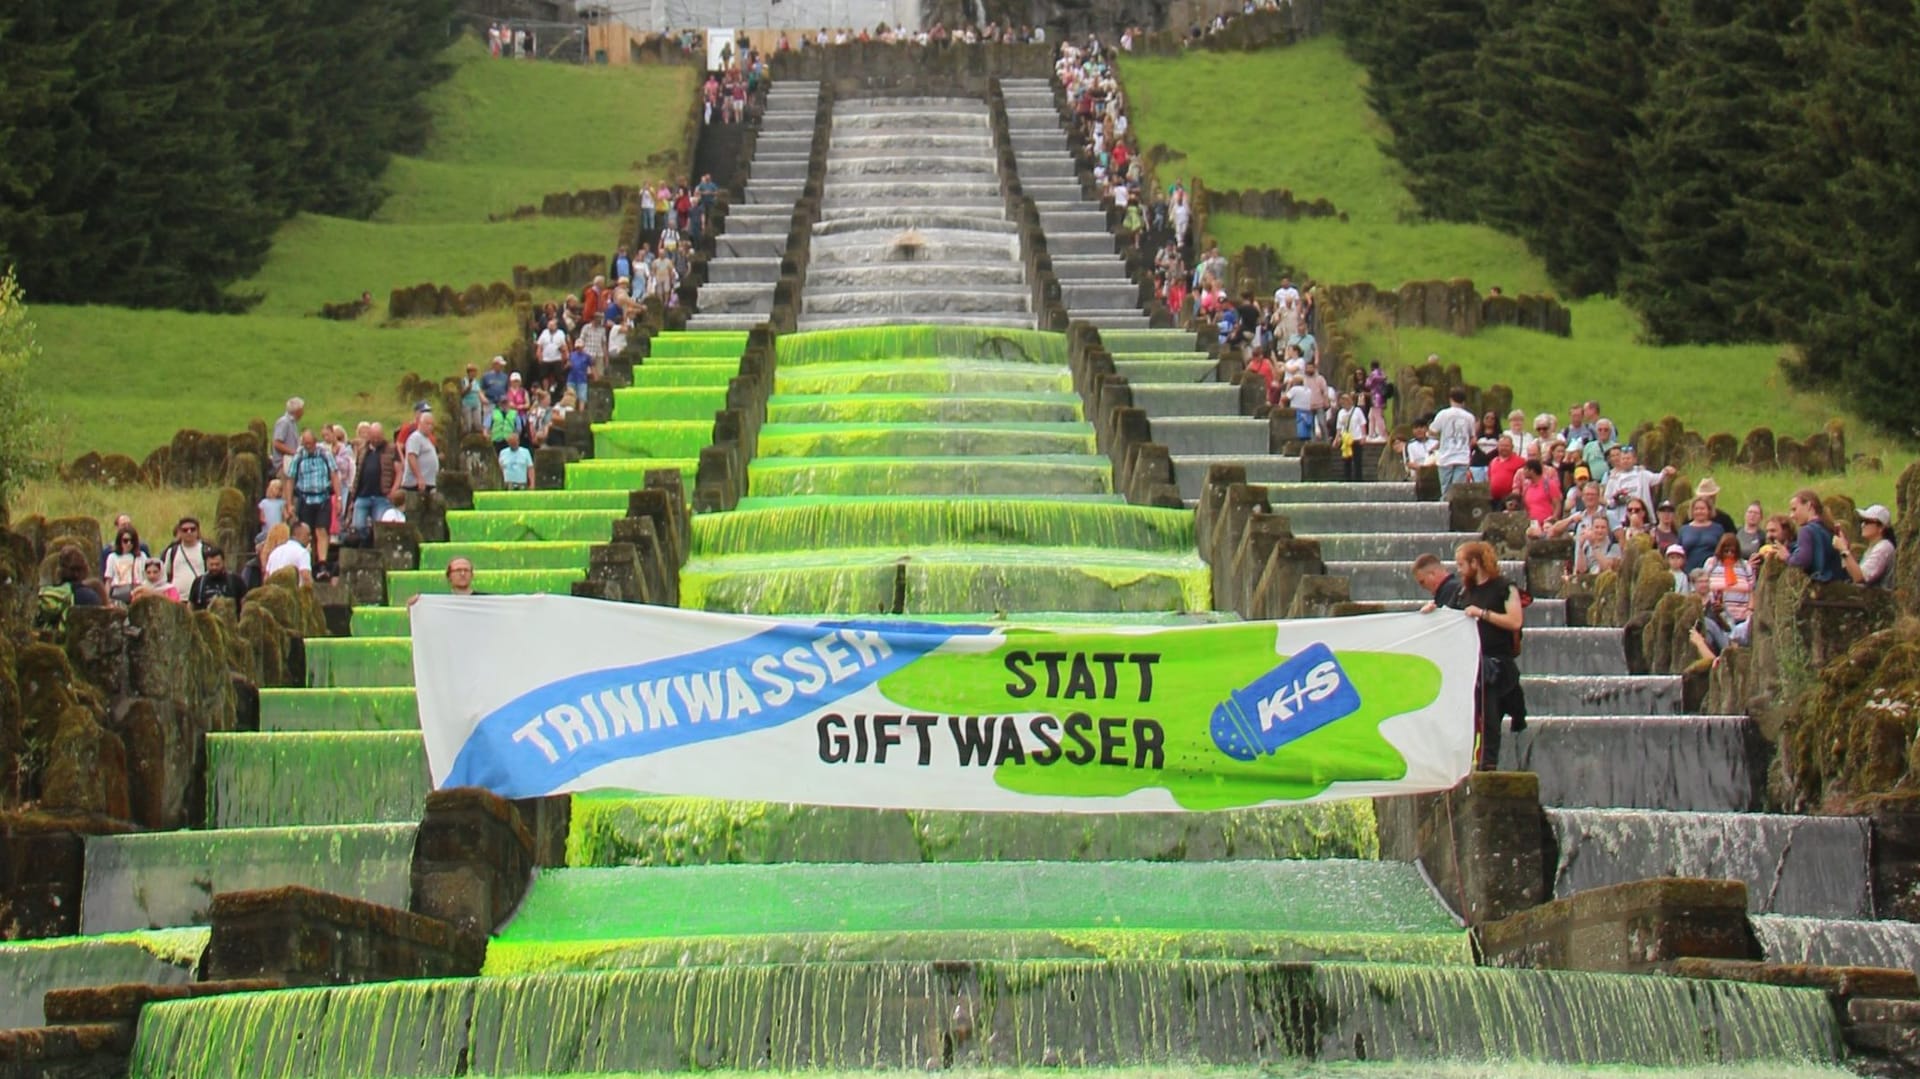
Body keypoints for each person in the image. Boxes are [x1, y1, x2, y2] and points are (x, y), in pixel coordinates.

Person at [1443, 540, 1526, 770]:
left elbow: (1515, 621)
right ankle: (1466, 763)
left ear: (1475, 563)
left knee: (1490, 717)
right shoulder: (1464, 591)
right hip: (1470, 663)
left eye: (1461, 564)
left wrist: (1483, 613)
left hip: (1496, 665)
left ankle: (1488, 765)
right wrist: (1431, 612)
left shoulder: (1505, 587)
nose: (1458, 569)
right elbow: (1448, 615)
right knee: (1470, 716)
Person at [287, 430, 338, 578]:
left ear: (315, 442)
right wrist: (289, 503)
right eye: (305, 443)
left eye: (309, 443)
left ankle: (322, 564)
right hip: (305, 499)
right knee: (305, 531)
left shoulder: (325, 454)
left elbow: (334, 474)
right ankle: (307, 562)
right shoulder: (299, 456)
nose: (307, 446)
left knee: (322, 530)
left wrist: (339, 498)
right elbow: (290, 478)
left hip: (322, 498)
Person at [1701, 534, 1754, 651]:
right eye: (1726, 551)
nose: (1730, 554)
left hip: (1742, 616)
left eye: (1733, 551)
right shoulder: (1711, 563)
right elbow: (1703, 584)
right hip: (1718, 616)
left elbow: (1752, 589)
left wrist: (1750, 610)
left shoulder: (1745, 566)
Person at [1783, 489, 1844, 583]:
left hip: (1820, 590)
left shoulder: (1806, 531)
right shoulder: (1829, 528)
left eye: (1794, 509)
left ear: (1809, 506)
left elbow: (1802, 561)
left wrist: (1787, 557)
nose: (1791, 515)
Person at [350, 424, 397, 540]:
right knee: (358, 526)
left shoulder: (390, 449)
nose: (376, 440)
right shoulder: (363, 450)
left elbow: (399, 470)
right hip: (363, 494)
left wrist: (394, 489)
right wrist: (353, 494)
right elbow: (357, 473)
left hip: (381, 496)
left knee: (380, 528)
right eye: (374, 437)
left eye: (378, 437)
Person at [1839, 504, 1897, 589]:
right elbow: (1853, 574)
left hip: (1878, 601)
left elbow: (1860, 578)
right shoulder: (1874, 547)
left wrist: (1843, 550)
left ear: (1881, 527)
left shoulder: (1883, 548)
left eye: (1867, 522)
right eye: (1862, 521)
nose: (1863, 525)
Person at [1431, 388, 1476, 494]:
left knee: (1445, 488)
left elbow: (1432, 431)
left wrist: (1440, 438)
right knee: (1458, 489)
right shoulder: (1469, 417)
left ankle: (1444, 507)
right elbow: (1472, 437)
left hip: (1445, 456)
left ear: (1450, 399)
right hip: (1462, 456)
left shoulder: (1443, 414)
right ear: (1464, 401)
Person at [158, 517, 207, 596]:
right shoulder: (172, 551)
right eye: (185, 530)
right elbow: (166, 574)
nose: (189, 532)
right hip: (177, 598)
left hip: (199, 597)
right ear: (180, 532)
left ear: (198, 531)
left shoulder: (205, 550)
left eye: (192, 529)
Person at [410, 556, 480, 607]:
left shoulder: (486, 601)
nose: (462, 574)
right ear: (449, 576)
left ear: (472, 575)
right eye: (458, 570)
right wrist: (413, 606)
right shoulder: (439, 603)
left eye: (466, 570)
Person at [1679, 497, 1726, 573]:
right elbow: (1679, 552)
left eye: (1702, 509)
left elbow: (1723, 550)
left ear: (1709, 510)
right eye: (1696, 509)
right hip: (1689, 571)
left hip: (1712, 571)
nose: (1699, 511)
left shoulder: (1718, 528)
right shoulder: (1684, 529)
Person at [398, 412, 440, 497]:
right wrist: (419, 477)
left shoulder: (426, 439)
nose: (430, 427)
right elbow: (411, 457)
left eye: (432, 424)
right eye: (427, 424)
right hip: (415, 485)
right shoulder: (415, 437)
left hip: (427, 484)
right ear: (420, 423)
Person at [103, 527, 143, 604]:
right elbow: (108, 580)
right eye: (125, 541)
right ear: (119, 541)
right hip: (118, 592)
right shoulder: (112, 557)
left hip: (137, 592)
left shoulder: (141, 556)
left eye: (132, 541)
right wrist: (107, 600)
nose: (129, 543)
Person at [270, 397, 304, 477]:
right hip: (284, 465)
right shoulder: (284, 422)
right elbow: (277, 443)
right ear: (298, 411)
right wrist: (294, 453)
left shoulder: (292, 423)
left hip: (291, 464)